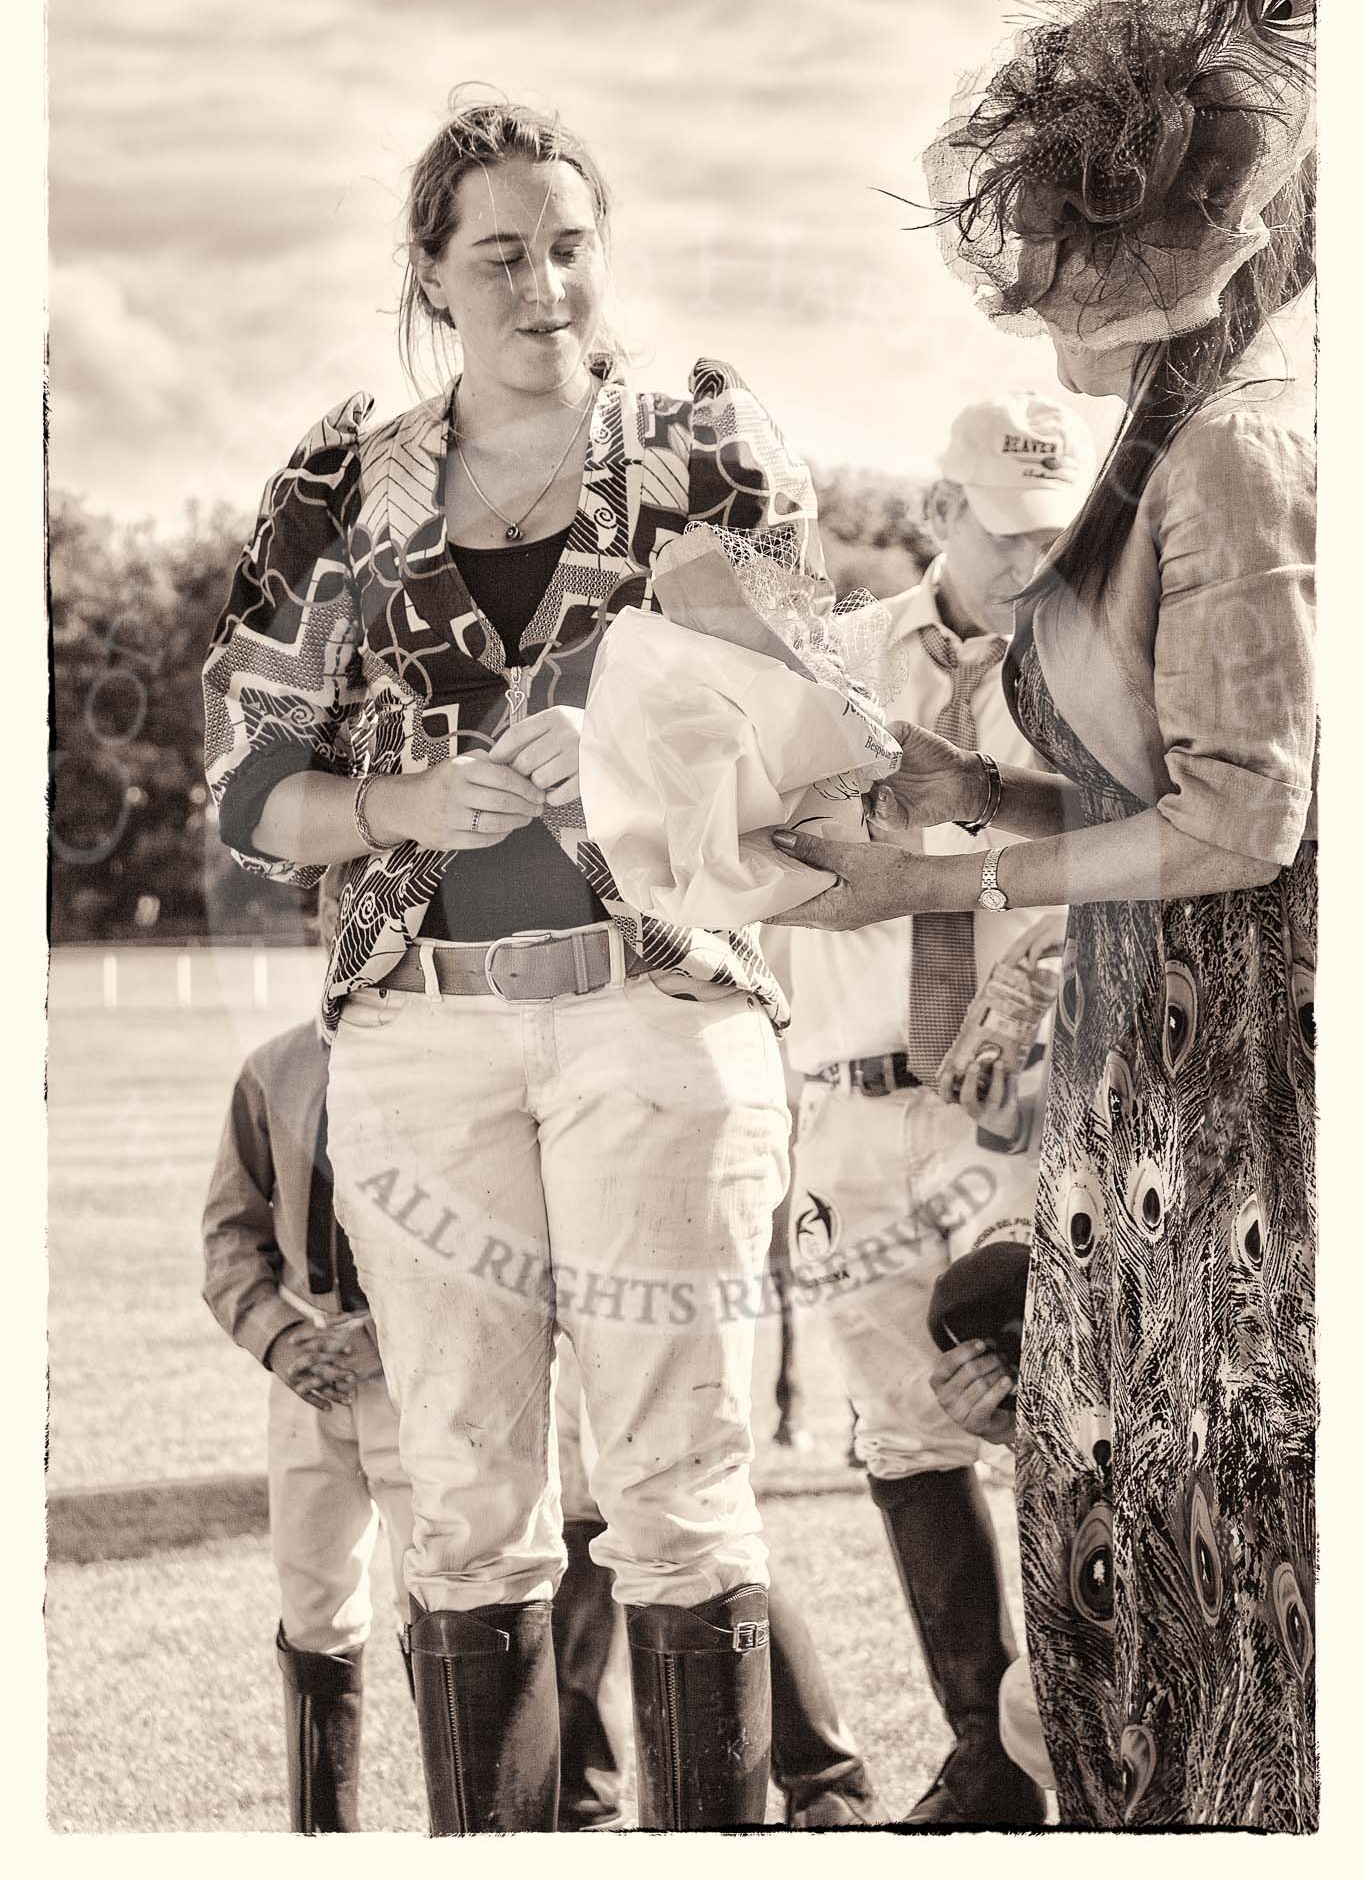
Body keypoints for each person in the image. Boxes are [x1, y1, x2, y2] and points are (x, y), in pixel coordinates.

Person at [201, 94, 880, 1832]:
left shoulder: (710, 455)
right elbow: (250, 792)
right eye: (499, 253)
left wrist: (655, 735)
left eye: (571, 246)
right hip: (421, 1051)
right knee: (464, 1502)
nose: (544, 284)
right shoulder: (336, 485)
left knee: (676, 1490)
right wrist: (406, 795)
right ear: (430, 275)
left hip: (660, 1016)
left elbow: (824, 728)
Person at [772, 0, 1317, 1828]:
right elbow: (1128, 794)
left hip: (1221, 1125)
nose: (1050, 304)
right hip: (1130, 1110)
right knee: (1104, 1604)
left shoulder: (1238, 454)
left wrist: (943, 888)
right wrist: (962, 797)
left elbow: (1252, 819)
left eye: (1084, 262)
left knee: (1202, 1621)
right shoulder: (1165, 452)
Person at [773, 392, 1090, 1825]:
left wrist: (1035, 1021)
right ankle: (986, 1756)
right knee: (904, 1434)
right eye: (1006, 529)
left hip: (1015, 1114)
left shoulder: (1096, 677)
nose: (1032, 558)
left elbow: (1142, 862)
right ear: (941, 512)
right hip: (846, 1103)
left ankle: (1069, 1734)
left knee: (1043, 1410)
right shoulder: (832, 662)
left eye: (1056, 533)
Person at [202, 873, 631, 1832]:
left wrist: (391, 1332)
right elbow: (231, 1238)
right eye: (335, 910)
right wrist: (283, 1339)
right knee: (315, 1609)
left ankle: (473, 1821)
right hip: (307, 1383)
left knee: (447, 1599)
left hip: (432, 1373)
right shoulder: (274, 1071)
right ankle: (324, 1834)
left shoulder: (471, 1063)